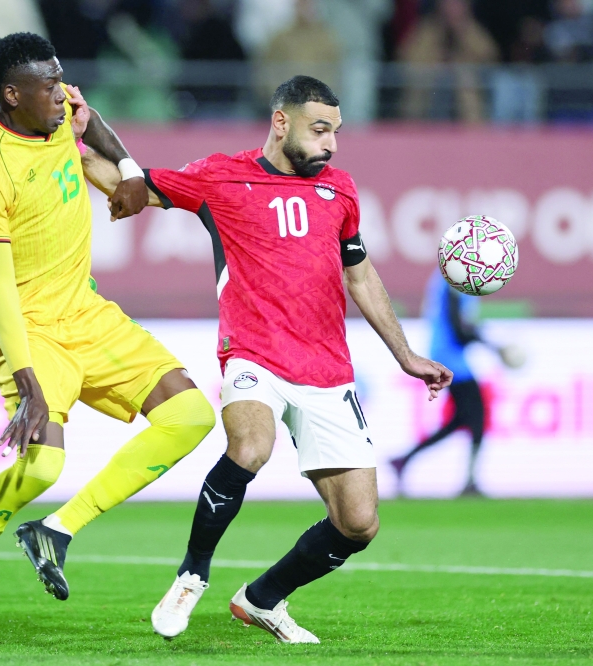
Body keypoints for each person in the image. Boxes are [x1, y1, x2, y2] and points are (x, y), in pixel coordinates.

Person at [82, 75, 453, 644]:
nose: (331, 144)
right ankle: (191, 574)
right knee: (250, 447)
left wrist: (405, 354)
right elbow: (127, 181)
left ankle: (262, 599)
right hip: (252, 350)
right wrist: (65, 142)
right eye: (320, 129)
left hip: (327, 368)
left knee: (358, 523)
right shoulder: (220, 176)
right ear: (281, 122)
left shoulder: (341, 190)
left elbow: (358, 271)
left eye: (336, 132)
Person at [0, 32, 216, 650]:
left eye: (59, 77)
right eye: (48, 84)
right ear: (11, 94)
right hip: (24, 324)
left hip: (85, 308)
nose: (62, 91)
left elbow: (90, 121)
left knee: (190, 414)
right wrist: (26, 383)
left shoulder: (49, 108)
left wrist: (127, 171)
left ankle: (57, 531)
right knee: (43, 464)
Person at [389, 270, 522, 497]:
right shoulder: (454, 278)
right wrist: (493, 346)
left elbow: (460, 324)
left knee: (460, 419)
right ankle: (469, 481)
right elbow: (459, 329)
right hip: (450, 359)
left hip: (448, 355)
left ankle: (404, 460)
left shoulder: (454, 277)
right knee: (477, 415)